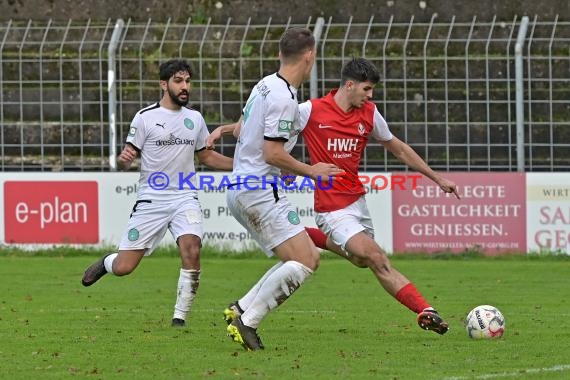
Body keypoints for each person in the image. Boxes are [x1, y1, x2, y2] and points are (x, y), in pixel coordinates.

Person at [209, 58, 459, 336]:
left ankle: (305, 237)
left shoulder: (370, 113)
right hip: (331, 209)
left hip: (356, 202)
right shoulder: (310, 111)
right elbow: (266, 130)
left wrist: (437, 178)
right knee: (375, 256)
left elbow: (398, 148)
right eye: (366, 89)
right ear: (349, 85)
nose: (370, 95)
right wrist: (227, 130)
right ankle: (426, 310)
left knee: (362, 260)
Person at [81, 59, 233, 328]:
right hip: (152, 197)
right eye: (178, 81)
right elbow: (125, 158)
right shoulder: (145, 117)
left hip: (185, 195)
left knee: (192, 249)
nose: (185, 87)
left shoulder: (195, 119)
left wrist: (240, 165)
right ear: (164, 84)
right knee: (125, 267)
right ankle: (107, 263)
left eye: (187, 81)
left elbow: (206, 157)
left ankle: (179, 318)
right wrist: (124, 159)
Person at [219, 27, 342, 351]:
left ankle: (242, 308)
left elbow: (245, 131)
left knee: (295, 257)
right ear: (309, 56)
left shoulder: (265, 85)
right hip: (259, 190)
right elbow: (272, 152)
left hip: (243, 185)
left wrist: (280, 166)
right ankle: (248, 321)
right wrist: (310, 171)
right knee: (307, 259)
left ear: (279, 54)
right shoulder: (284, 98)